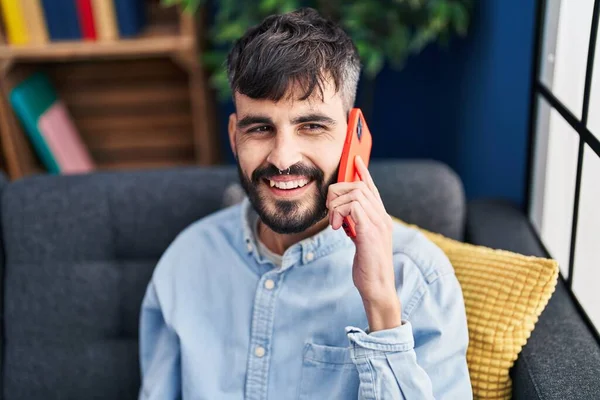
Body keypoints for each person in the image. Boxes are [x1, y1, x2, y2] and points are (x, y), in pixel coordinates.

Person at [138, 7, 472, 400]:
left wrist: (381, 305)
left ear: (353, 136)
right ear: (234, 136)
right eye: (260, 128)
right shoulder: (186, 260)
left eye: (311, 126)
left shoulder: (419, 278)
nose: (282, 158)